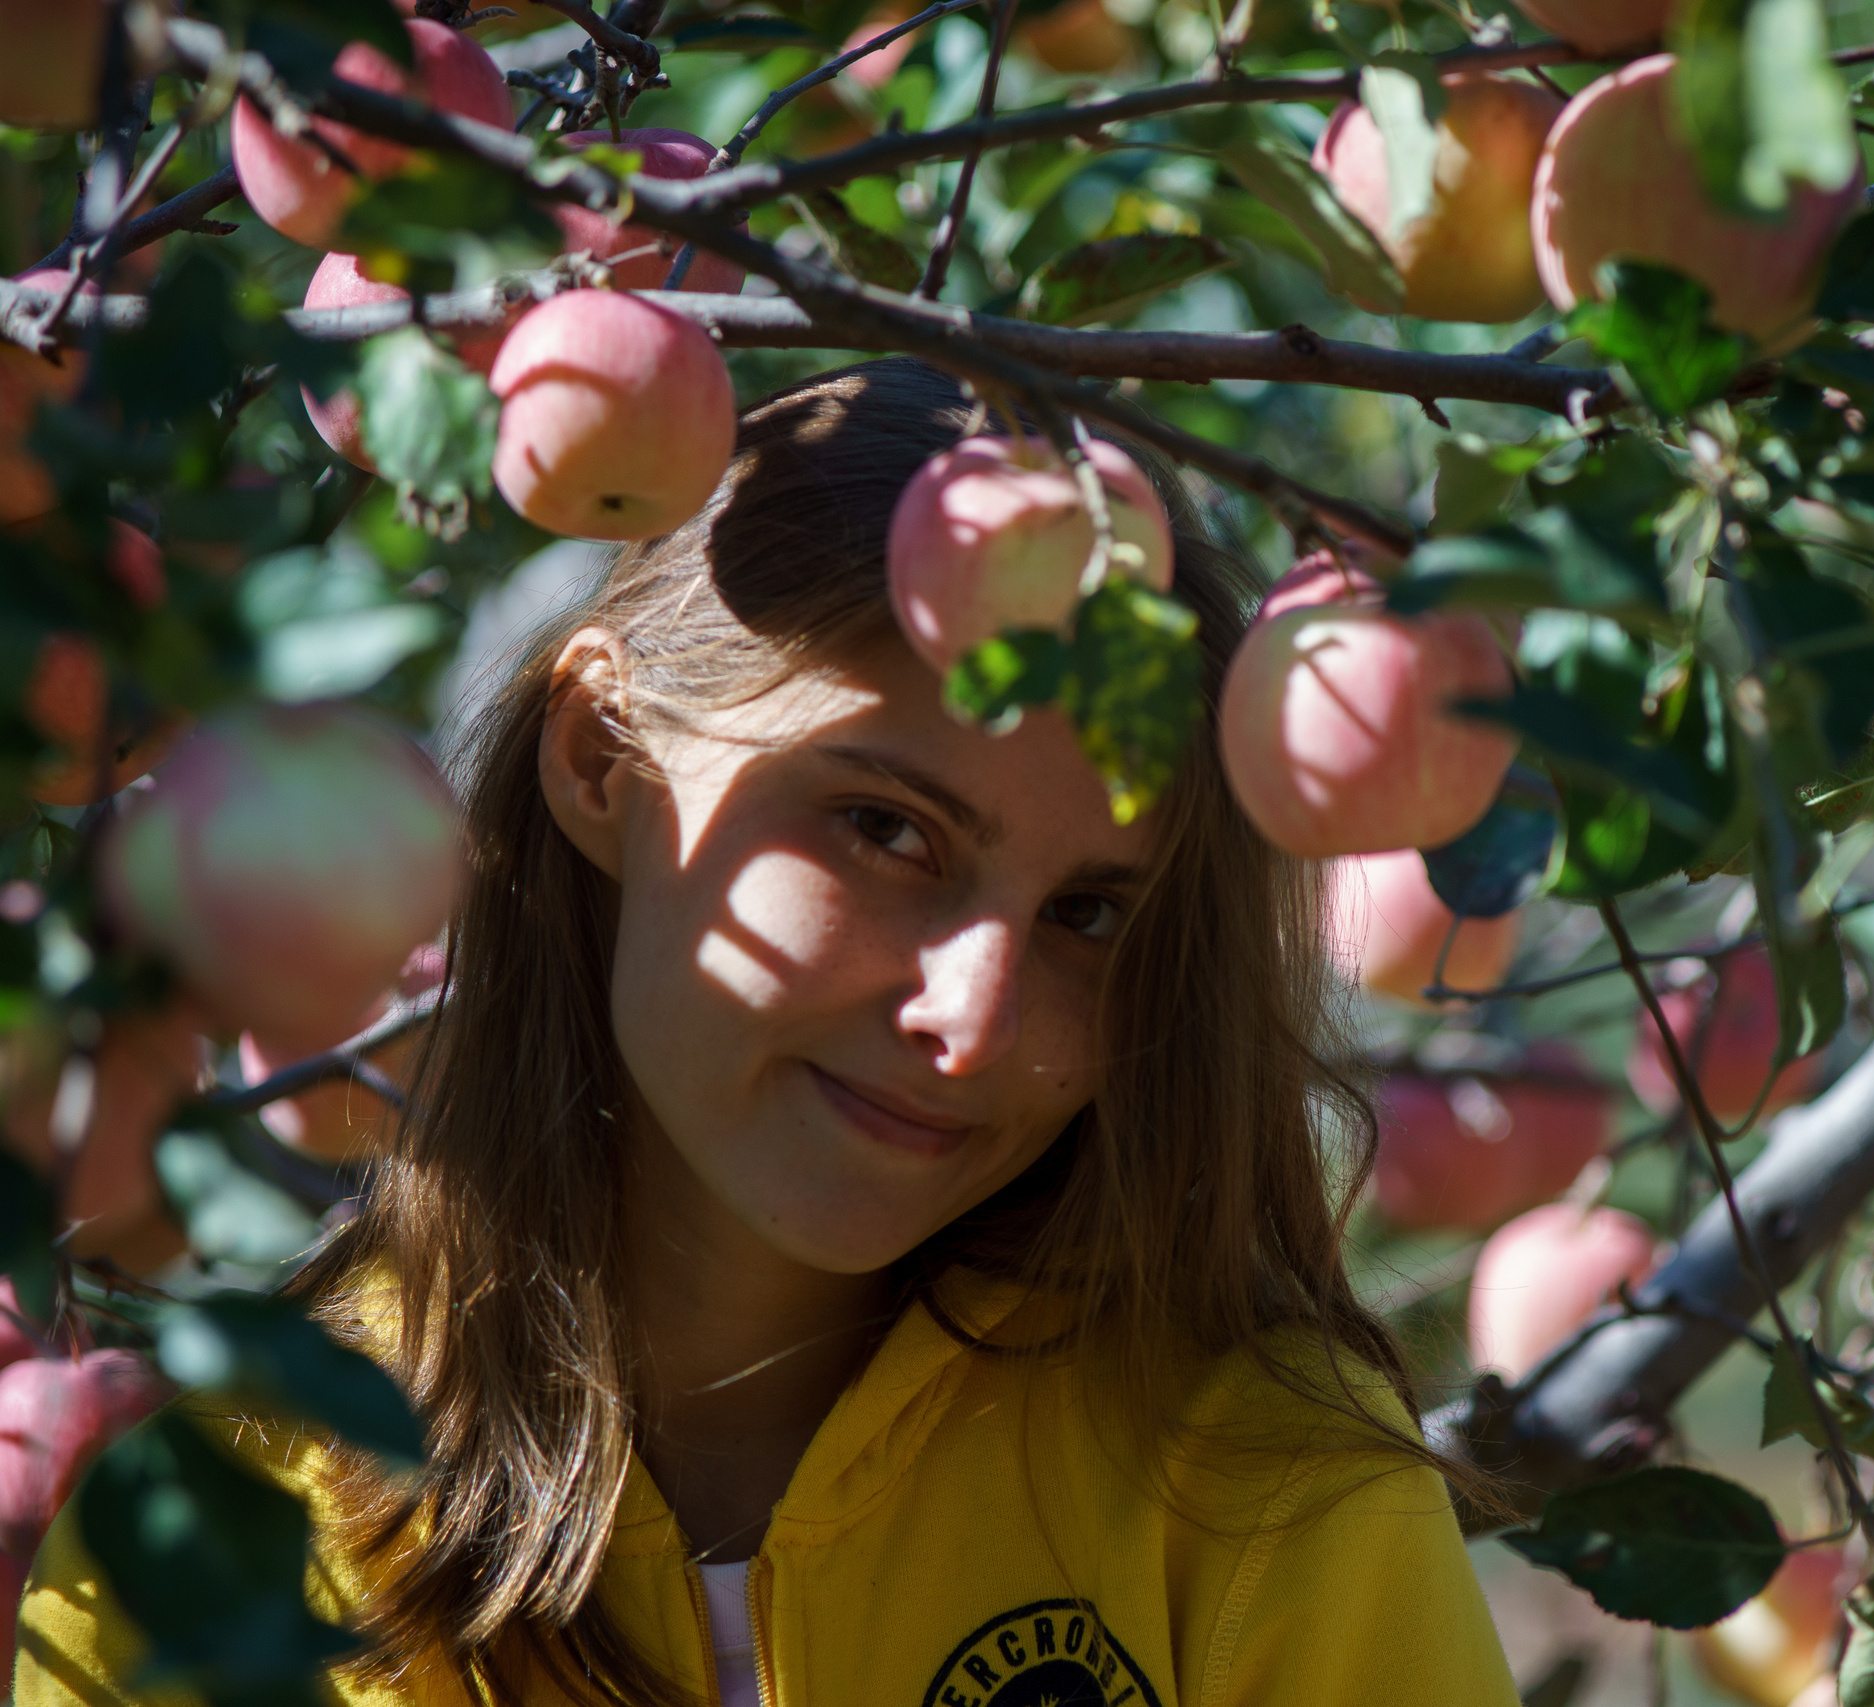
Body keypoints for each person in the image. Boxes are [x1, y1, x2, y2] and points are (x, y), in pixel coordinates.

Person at [15, 360, 1519, 1706]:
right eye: (886, 829)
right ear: (602, 757)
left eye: (1095, 917)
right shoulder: (215, 1528)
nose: (978, 1021)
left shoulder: (1267, 1490)